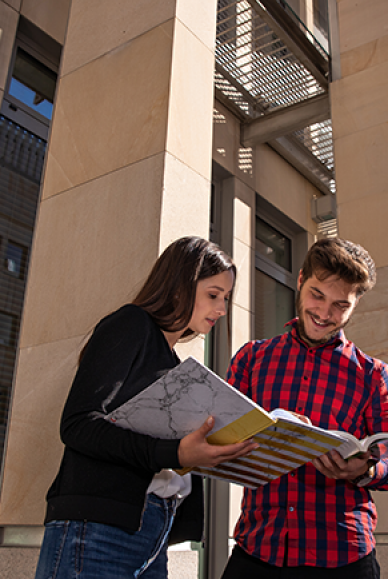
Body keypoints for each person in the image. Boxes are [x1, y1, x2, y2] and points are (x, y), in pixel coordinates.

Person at [34, 236, 258, 579]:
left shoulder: (173, 363)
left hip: (154, 536)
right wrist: (176, 453)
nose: (222, 309)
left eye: (225, 298)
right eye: (213, 295)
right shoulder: (131, 324)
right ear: (180, 287)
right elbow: (78, 424)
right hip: (98, 531)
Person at [221, 237, 388, 579]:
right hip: (258, 549)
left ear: (355, 305)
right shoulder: (251, 360)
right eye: (317, 295)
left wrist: (365, 471)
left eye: (341, 304)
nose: (325, 314)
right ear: (299, 281)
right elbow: (220, 438)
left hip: (343, 558)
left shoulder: (374, 376)